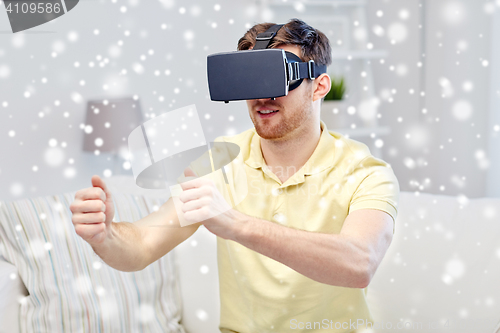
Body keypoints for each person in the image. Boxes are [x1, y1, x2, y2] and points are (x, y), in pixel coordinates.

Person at [70, 18, 399, 333]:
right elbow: (142, 245)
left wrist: (235, 224)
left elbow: (359, 263)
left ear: (319, 86)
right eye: (250, 80)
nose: (261, 97)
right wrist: (106, 236)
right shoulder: (220, 160)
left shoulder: (365, 171)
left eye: (275, 77)